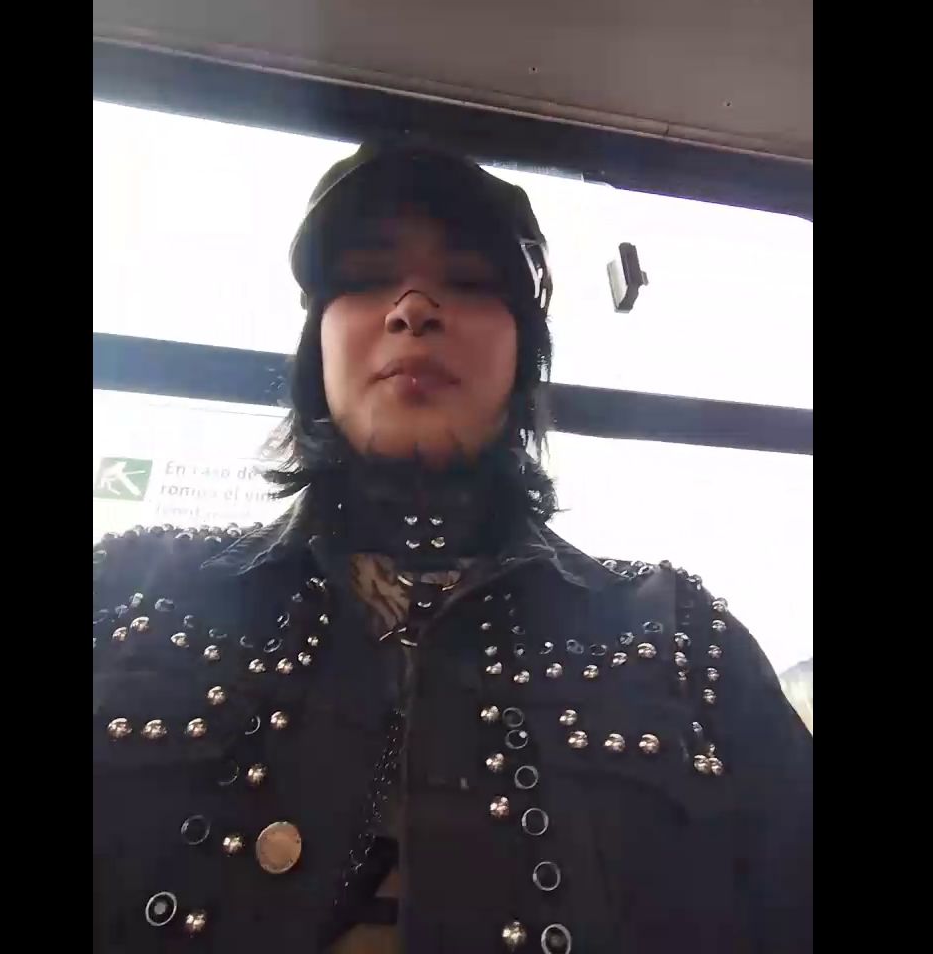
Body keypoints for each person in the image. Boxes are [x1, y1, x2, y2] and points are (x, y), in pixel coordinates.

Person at [93, 143, 813, 954]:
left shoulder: (682, 641)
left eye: (469, 282)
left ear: (524, 354)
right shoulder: (124, 594)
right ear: (315, 342)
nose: (413, 308)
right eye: (366, 278)